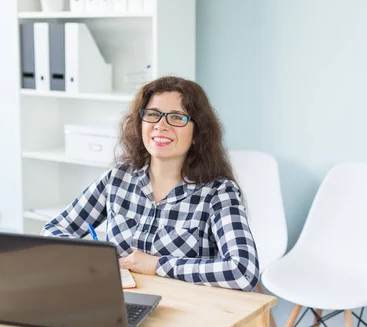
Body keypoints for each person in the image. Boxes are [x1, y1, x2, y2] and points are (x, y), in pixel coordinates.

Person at [41, 76, 259, 291]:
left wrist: (158, 264)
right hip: (121, 303)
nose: (160, 126)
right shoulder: (117, 179)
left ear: (197, 133)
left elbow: (243, 271)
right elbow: (53, 230)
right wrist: (96, 258)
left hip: (188, 311)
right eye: (153, 115)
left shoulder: (218, 193)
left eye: (176, 117)